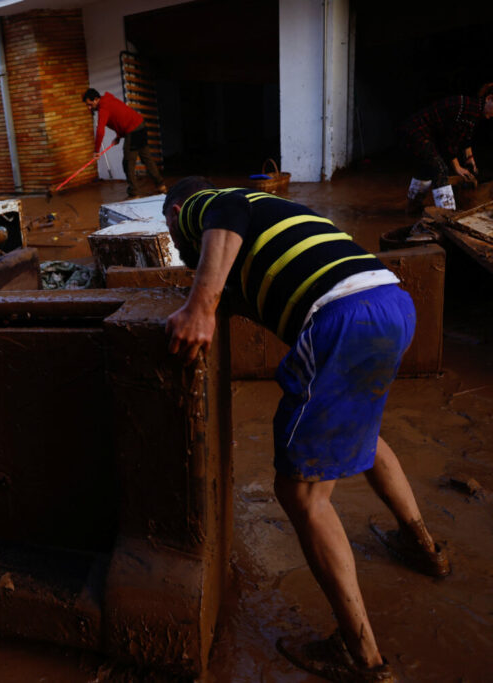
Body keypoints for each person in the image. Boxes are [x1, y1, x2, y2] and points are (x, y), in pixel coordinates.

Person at [161, 176, 449, 681]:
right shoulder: (272, 221)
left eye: (173, 228)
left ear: (180, 207)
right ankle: (422, 546)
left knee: (301, 494)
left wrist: (198, 307)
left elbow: (223, 208)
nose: (177, 241)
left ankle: (360, 654)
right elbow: (255, 282)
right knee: (366, 431)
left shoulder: (207, 206)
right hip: (391, 303)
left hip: (341, 315)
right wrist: (213, 294)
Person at [399, 82, 493, 210]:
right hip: (416, 132)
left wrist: (470, 158)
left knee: (428, 167)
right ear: (489, 99)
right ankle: (447, 214)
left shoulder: (474, 109)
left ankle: (412, 206)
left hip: (419, 132)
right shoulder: (468, 110)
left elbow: (466, 137)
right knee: (440, 169)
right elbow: (449, 143)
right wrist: (457, 167)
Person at [81, 87, 166, 197]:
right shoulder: (109, 99)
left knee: (128, 164)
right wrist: (119, 136)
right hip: (140, 125)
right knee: (146, 158)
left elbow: (100, 131)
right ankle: (161, 185)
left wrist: (96, 151)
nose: (89, 108)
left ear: (96, 99)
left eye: (89, 104)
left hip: (133, 131)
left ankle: (134, 193)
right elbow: (120, 118)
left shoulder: (103, 108)